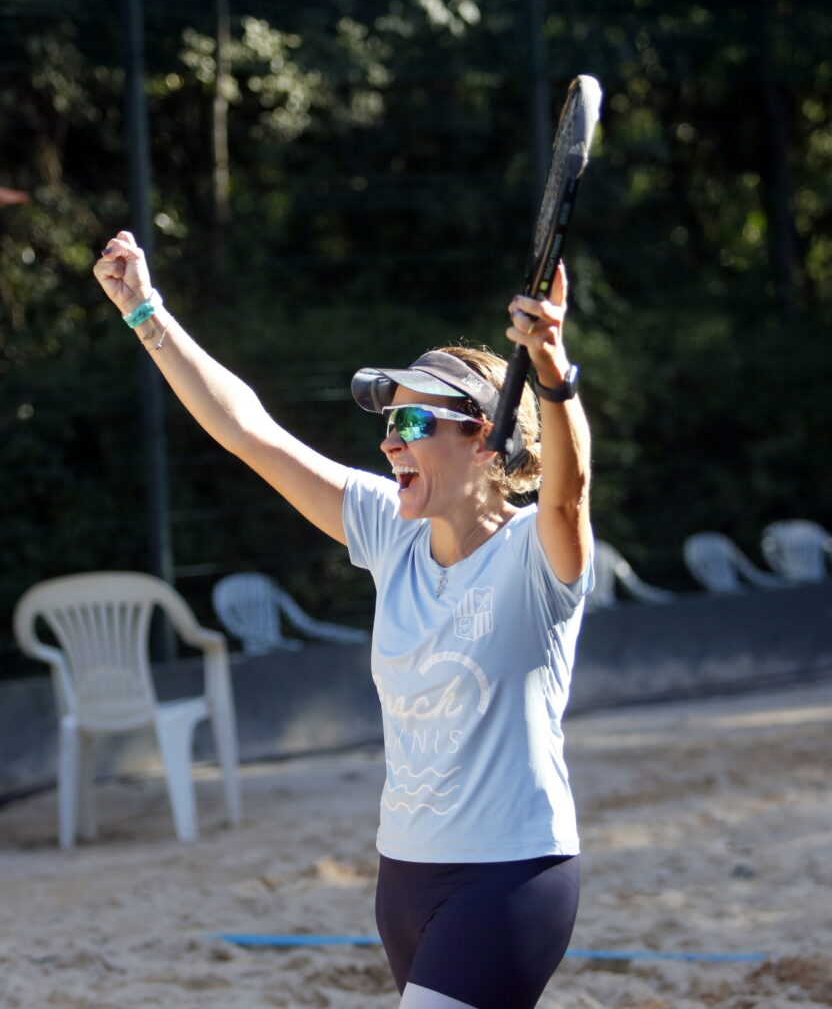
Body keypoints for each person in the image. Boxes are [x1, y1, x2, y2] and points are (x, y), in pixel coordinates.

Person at [94, 230, 593, 1009]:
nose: (392, 440)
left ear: (484, 438)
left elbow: (567, 490)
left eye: (415, 425)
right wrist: (145, 313)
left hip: (510, 875)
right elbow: (249, 433)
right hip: (402, 875)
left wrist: (555, 372)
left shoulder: (537, 553)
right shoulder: (390, 530)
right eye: (390, 424)